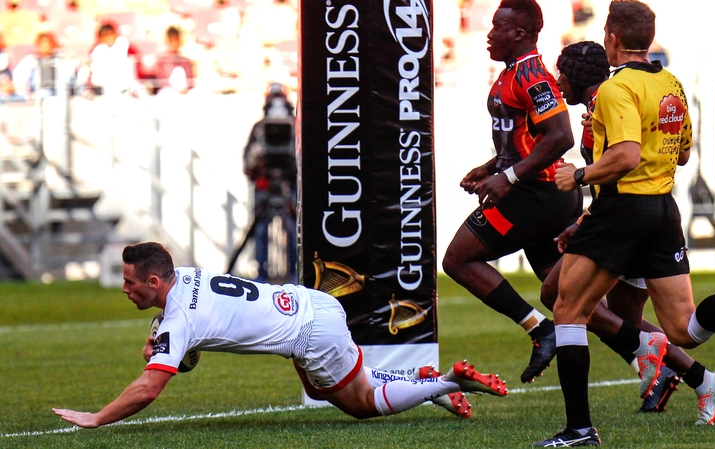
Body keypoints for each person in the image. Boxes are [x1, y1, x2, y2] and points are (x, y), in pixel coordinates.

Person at [533, 2, 715, 446]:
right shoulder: (669, 82)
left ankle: (580, 429)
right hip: (661, 209)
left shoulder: (618, 88)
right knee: (683, 330)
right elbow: (682, 154)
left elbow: (626, 157)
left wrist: (577, 175)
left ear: (612, 39)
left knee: (566, 310)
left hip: (623, 210)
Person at [52, 242, 509, 428]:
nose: (125, 290)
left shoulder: (178, 320)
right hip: (311, 302)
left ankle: (446, 380)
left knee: (360, 404)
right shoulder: (187, 277)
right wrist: (170, 344)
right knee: (318, 384)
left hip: (309, 331)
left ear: (155, 282)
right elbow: (192, 331)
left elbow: (150, 388)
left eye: (130, 282)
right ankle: (424, 381)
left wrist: (97, 417)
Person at [538, 40, 715, 419]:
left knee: (563, 298)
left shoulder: (612, 99)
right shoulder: (625, 97)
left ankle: (643, 355)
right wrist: (583, 221)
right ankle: (700, 378)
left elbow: (625, 162)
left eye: (562, 75)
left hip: (629, 217)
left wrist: (577, 178)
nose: (558, 84)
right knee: (630, 316)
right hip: (642, 212)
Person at [441, 0, 582, 385]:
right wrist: (492, 167)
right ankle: (654, 356)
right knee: (566, 295)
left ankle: (540, 330)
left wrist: (509, 177)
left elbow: (560, 137)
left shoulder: (533, 76)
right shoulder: (513, 73)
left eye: (496, 27)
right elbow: (526, 139)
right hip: (536, 191)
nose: (489, 34)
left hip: (537, 195)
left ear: (519, 33)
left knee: (458, 260)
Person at [243, 83, 298, 283]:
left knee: (294, 229)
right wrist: (258, 162)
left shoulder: (295, 126)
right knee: (260, 231)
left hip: (289, 186)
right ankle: (261, 275)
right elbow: (248, 161)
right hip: (265, 186)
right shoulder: (259, 128)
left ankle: (295, 273)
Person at [88, 22, 141, 96]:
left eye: (110, 33)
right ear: (101, 37)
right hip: (103, 91)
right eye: (105, 35)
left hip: (125, 90)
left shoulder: (126, 46)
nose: (109, 37)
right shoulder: (97, 50)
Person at [11, 31, 62, 99]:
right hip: (36, 97)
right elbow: (18, 78)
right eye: (42, 43)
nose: (44, 46)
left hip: (59, 97)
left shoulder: (59, 61)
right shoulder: (30, 60)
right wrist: (25, 94)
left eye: (47, 43)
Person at [153, 26, 195, 95]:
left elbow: (191, 82)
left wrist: (185, 90)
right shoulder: (161, 61)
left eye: (176, 40)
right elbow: (161, 82)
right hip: (169, 92)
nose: (175, 43)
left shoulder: (186, 61)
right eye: (172, 40)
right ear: (168, 41)